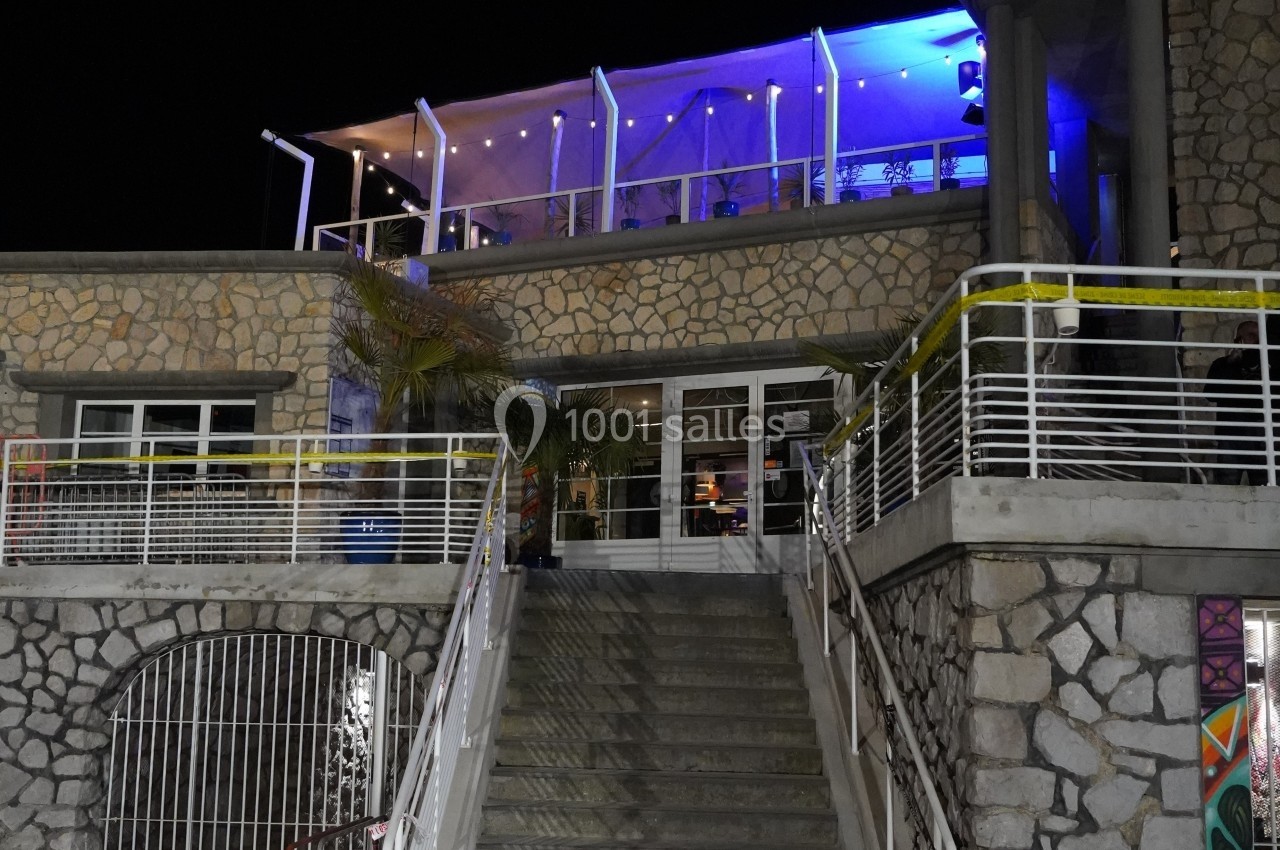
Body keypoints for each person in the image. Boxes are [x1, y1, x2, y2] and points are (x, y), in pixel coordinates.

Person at [1204, 320, 1266, 485]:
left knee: (1265, 487)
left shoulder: (1268, 365)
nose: (1258, 340)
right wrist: (1230, 364)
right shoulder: (1222, 364)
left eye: (1260, 337)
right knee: (1227, 485)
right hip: (1231, 434)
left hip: (1262, 435)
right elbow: (1210, 393)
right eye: (1252, 336)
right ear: (1239, 339)